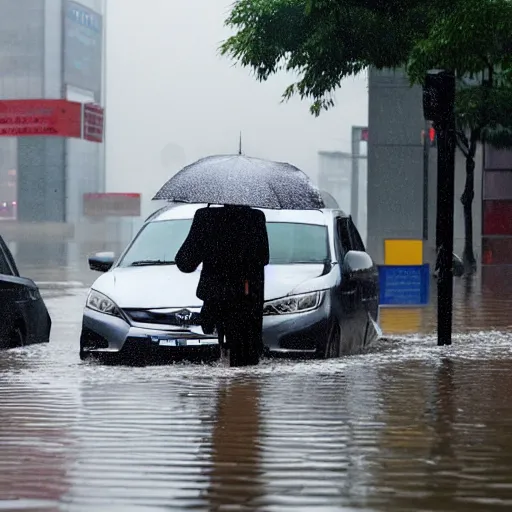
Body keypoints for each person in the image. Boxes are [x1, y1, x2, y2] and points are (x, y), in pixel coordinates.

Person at [175, 204, 269, 367]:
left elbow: (185, 262)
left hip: (216, 298)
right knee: (246, 362)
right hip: (247, 300)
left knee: (216, 362)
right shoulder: (255, 218)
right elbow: (264, 258)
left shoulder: (205, 217)